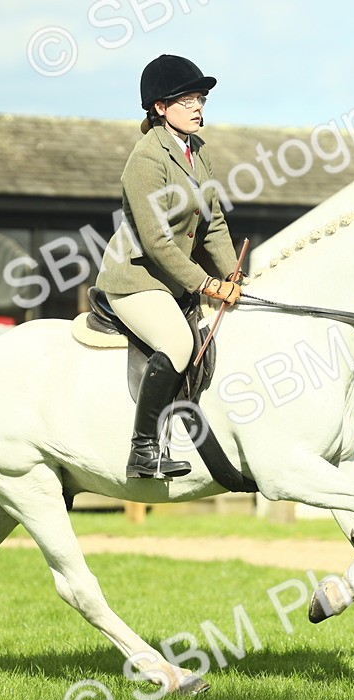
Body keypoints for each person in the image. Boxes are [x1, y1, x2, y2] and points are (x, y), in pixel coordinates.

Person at [95, 54, 242, 479]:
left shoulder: (198, 151)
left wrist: (233, 275)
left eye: (201, 99)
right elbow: (156, 241)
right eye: (188, 100)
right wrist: (206, 283)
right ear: (160, 107)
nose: (198, 107)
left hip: (172, 281)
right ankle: (143, 451)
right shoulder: (146, 159)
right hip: (135, 279)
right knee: (178, 343)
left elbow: (213, 222)